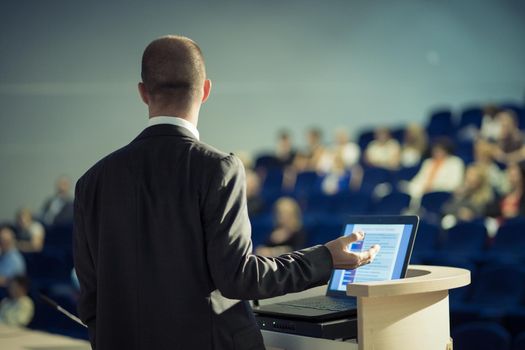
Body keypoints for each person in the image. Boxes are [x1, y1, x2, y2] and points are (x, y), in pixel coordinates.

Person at [73, 35, 380, 350]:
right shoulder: (217, 168)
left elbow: (91, 297)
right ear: (205, 90)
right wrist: (326, 258)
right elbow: (239, 278)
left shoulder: (91, 182)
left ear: (142, 92)